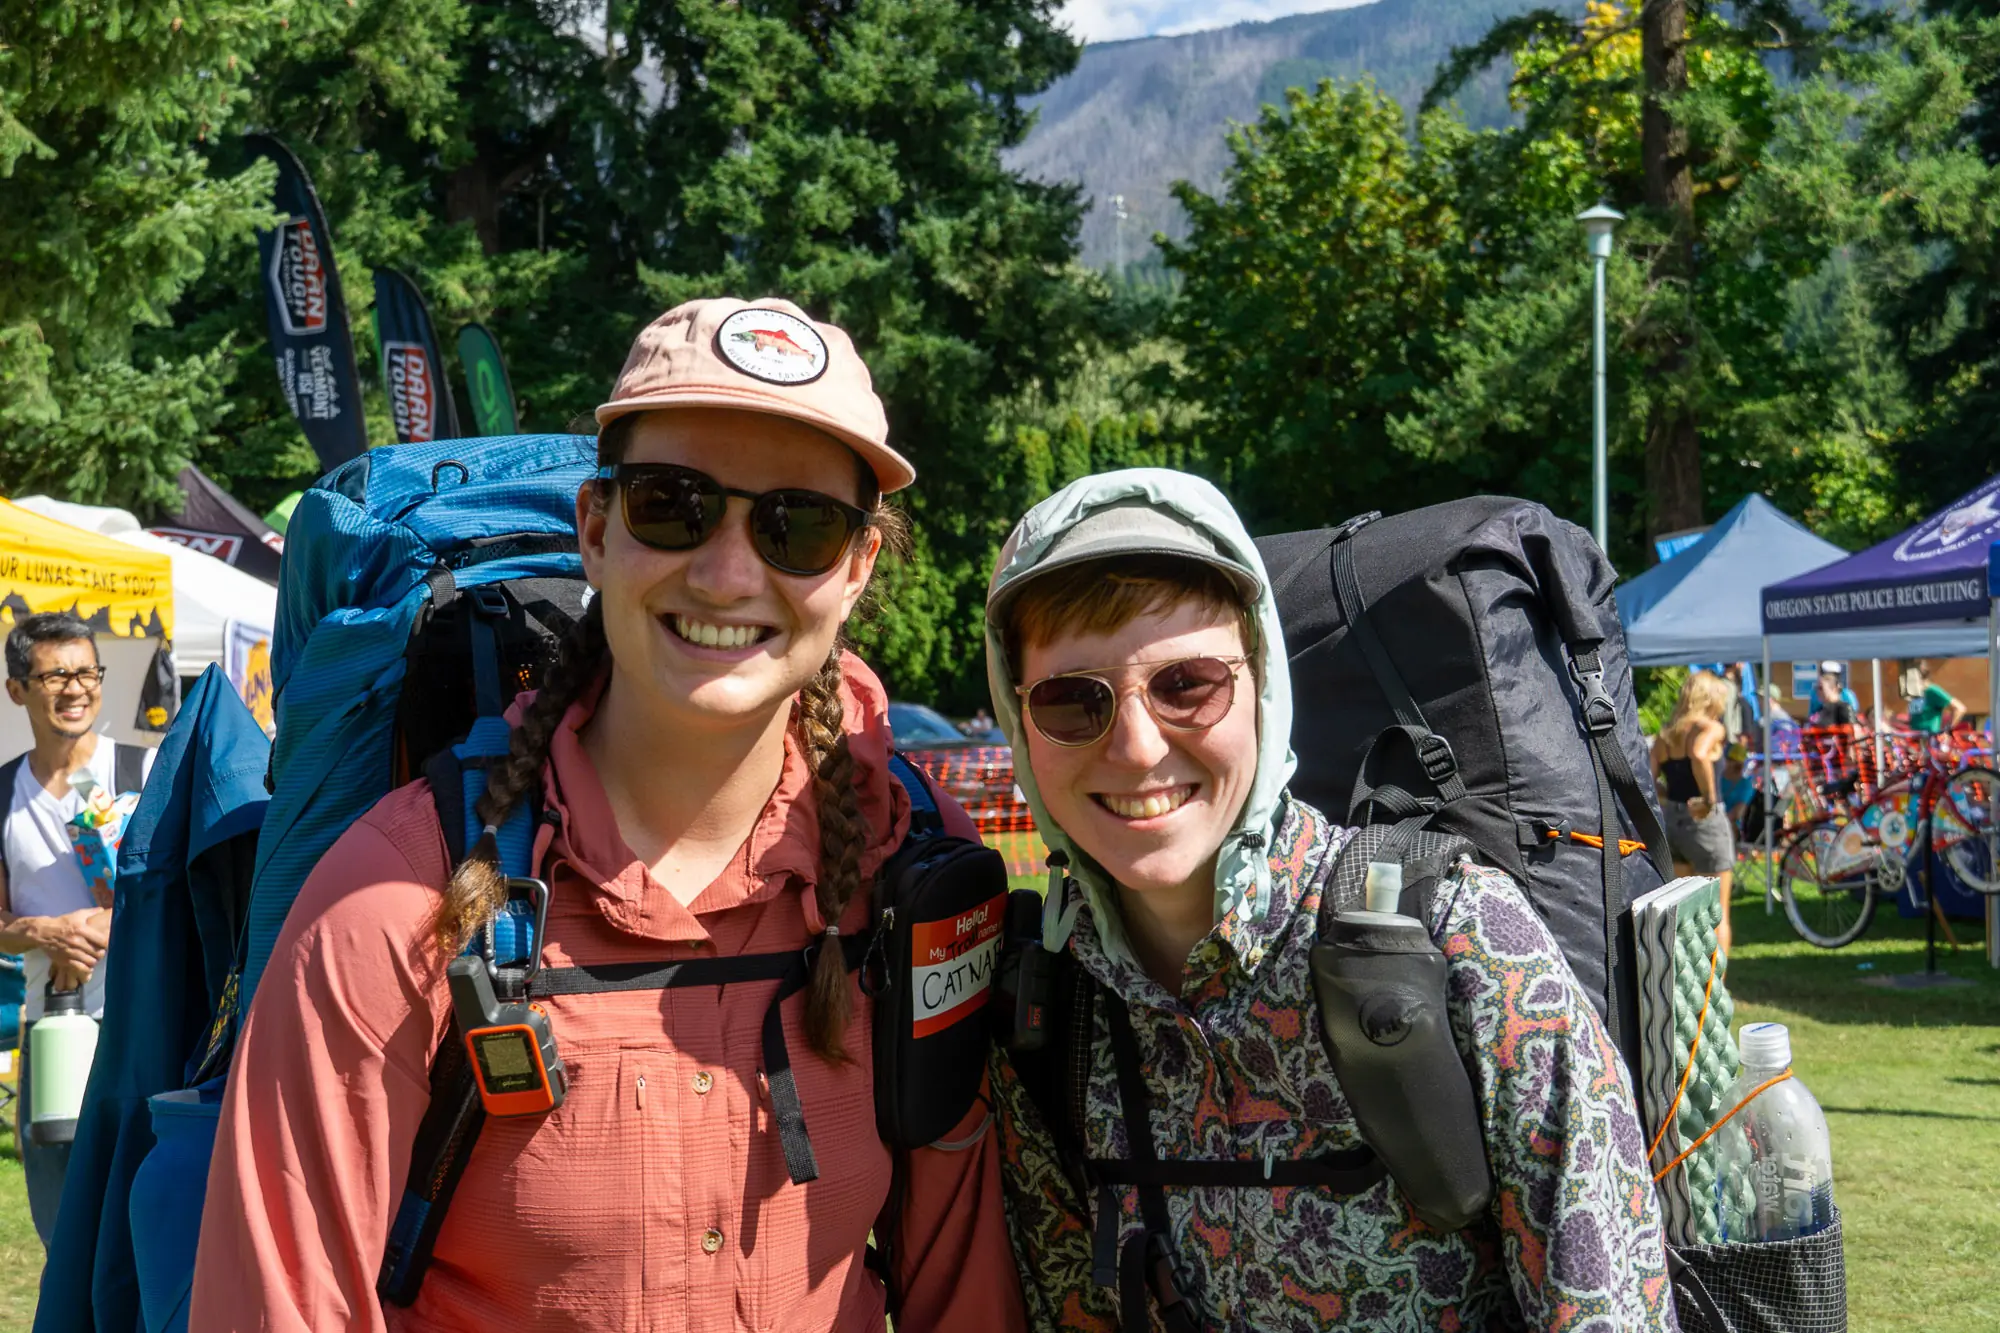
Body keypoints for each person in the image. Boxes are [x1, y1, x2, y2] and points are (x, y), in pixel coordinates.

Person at [193, 299, 1024, 1331]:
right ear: (596, 528)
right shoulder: (393, 899)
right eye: (673, 505)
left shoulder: (910, 866)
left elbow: (961, 1276)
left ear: (855, 568)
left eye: (796, 523)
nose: (727, 571)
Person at [983, 471, 1674, 1330]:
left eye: (1187, 683)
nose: (1135, 744)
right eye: (1070, 700)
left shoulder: (1459, 939)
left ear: (1264, 686)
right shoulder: (1053, 1011)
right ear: (1018, 724)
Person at [0, 612, 149, 1245]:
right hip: (53, 1032)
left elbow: (190, 892)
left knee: (144, 1211)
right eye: (55, 674)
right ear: (17, 690)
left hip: (145, 1022)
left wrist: (118, 920)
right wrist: (43, 930)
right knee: (62, 1220)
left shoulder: (145, 773)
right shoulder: (3, 792)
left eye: (87, 672)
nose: (75, 689)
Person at [1652, 669, 1735, 950]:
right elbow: (1699, 753)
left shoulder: (1667, 733)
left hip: (1672, 822)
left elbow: (1648, 780)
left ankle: (1683, 983)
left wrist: (1670, 797)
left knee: (1684, 912)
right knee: (1717, 912)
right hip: (1704, 823)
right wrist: (1708, 799)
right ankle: (1716, 989)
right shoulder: (1710, 728)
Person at [1901, 660, 1965, 736]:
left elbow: (1960, 708)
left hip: (1930, 737)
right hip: (1915, 738)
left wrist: (1946, 731)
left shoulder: (1932, 691)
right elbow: (1920, 717)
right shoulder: (1914, 693)